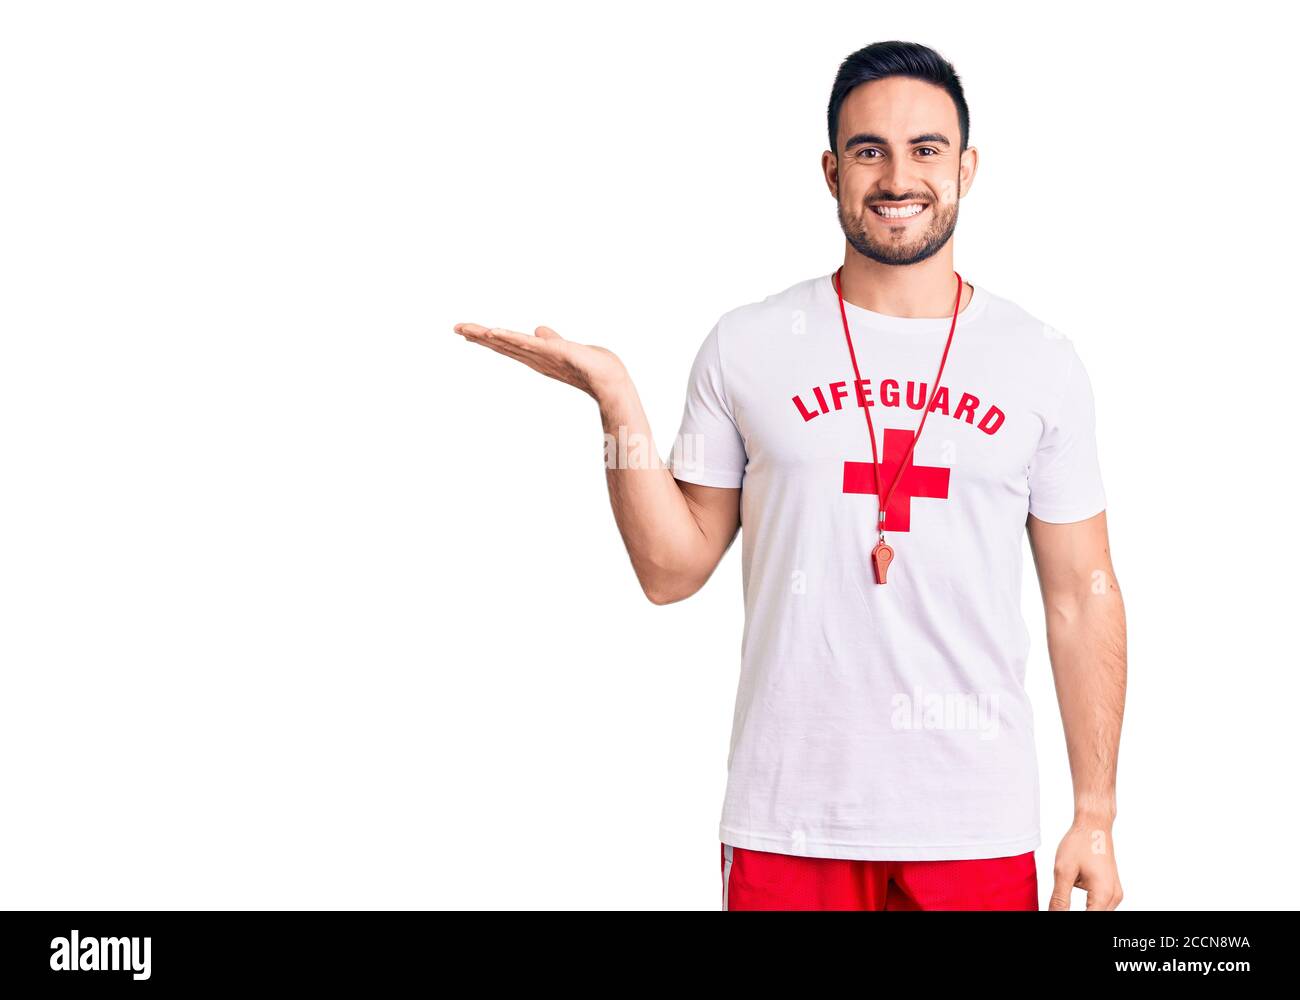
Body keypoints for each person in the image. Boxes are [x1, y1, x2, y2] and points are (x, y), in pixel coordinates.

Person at [453, 40, 1126, 912]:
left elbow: (1083, 593)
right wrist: (617, 403)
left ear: (965, 167)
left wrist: (1097, 813)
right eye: (868, 149)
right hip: (787, 822)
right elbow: (670, 571)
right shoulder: (750, 344)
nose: (897, 177)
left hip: (975, 824)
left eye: (925, 149)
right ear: (830, 169)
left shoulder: (1041, 361)